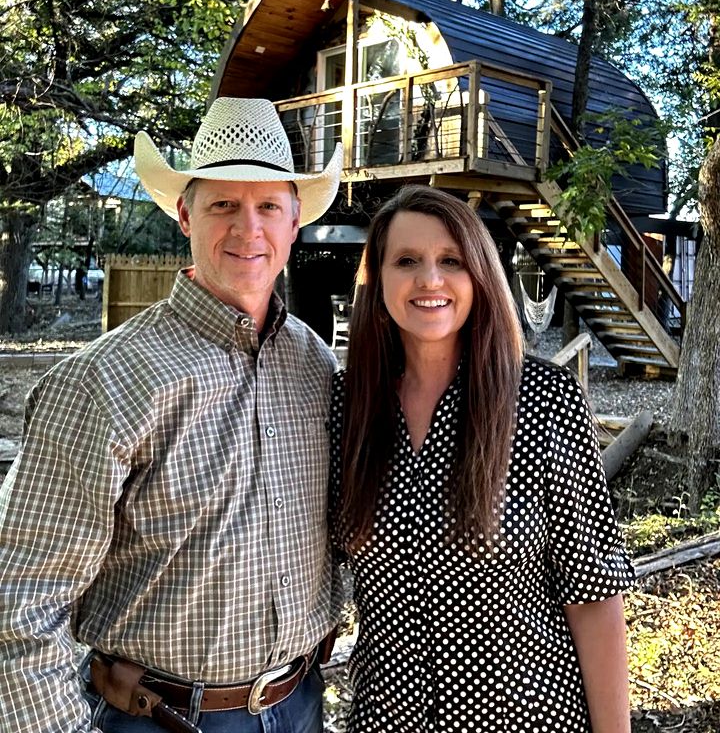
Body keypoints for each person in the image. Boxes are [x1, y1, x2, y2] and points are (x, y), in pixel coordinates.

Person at [0, 97, 343, 733]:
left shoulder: (316, 366)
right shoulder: (103, 381)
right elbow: (20, 599)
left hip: (300, 704)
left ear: (296, 222)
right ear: (185, 214)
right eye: (223, 205)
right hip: (156, 717)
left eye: (269, 205)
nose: (249, 229)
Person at [330, 185, 635, 733]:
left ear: (480, 278)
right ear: (378, 284)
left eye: (451, 261)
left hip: (526, 717)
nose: (430, 280)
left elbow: (594, 598)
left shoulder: (541, 400)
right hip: (387, 720)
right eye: (407, 261)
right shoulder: (346, 406)